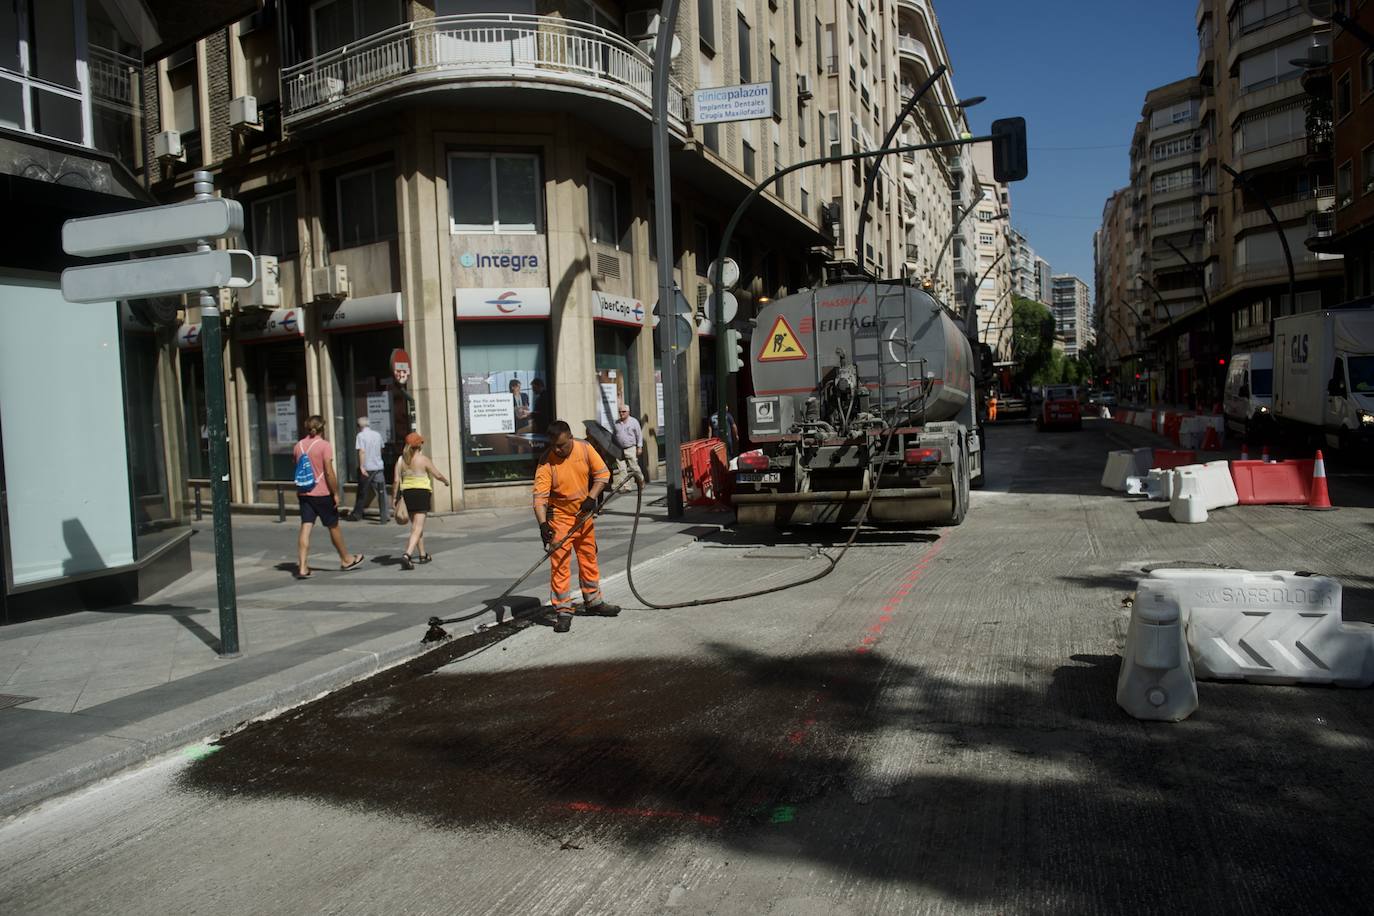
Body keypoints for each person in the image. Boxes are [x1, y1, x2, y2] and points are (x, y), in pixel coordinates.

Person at [532, 420, 619, 633]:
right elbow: (540, 498)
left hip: (583, 514)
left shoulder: (585, 448)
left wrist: (591, 497)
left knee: (588, 557)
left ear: (570, 438)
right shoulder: (546, 462)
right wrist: (543, 525)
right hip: (560, 518)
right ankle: (563, 610)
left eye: (561, 445)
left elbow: (602, 474)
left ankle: (593, 601)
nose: (558, 449)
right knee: (560, 564)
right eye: (554, 445)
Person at [293, 415, 364, 579]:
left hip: (304, 492)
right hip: (322, 493)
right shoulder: (324, 446)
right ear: (322, 428)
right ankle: (346, 559)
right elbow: (329, 472)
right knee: (333, 526)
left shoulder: (298, 446)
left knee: (305, 527)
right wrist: (336, 492)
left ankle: (302, 566)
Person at [392, 431, 448, 571]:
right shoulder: (423, 460)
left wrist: (394, 498)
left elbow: (396, 481)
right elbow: (437, 474)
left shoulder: (400, 460)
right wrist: (446, 481)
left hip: (407, 495)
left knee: (417, 527)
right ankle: (407, 555)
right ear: (418, 446)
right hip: (421, 494)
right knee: (418, 527)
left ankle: (423, 555)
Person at [348, 417, 389, 523]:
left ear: (359, 426)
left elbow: (361, 451)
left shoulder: (360, 436)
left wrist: (362, 466)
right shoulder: (377, 434)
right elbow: (381, 448)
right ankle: (385, 514)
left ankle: (357, 514)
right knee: (381, 492)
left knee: (362, 491)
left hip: (367, 467)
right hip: (378, 466)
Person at [612, 404, 644, 483]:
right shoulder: (616, 423)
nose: (621, 413)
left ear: (628, 412)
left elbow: (639, 435)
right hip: (619, 449)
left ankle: (641, 480)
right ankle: (626, 486)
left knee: (634, 467)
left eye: (624, 411)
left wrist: (639, 447)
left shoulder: (634, 422)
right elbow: (614, 435)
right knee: (622, 468)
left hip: (630, 448)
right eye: (620, 412)